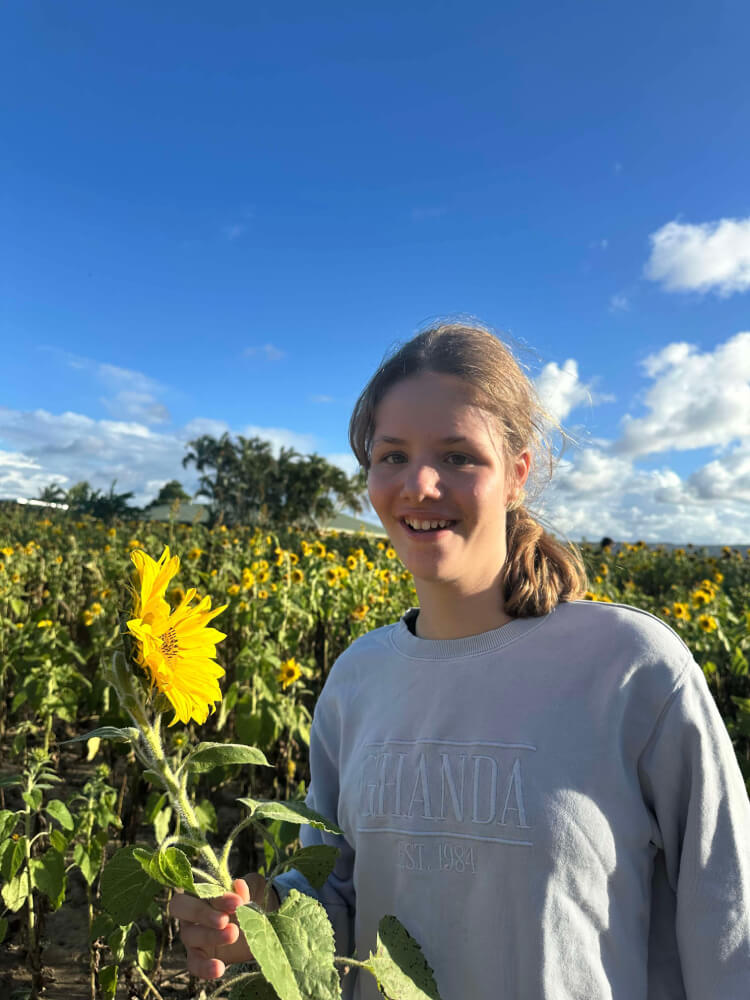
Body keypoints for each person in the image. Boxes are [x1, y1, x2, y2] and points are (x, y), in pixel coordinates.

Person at [169, 322, 750, 999]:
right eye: (392, 456)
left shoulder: (631, 669)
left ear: (517, 475)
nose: (419, 483)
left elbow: (726, 919)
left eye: (458, 456)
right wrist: (257, 923)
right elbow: (338, 894)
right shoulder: (359, 678)